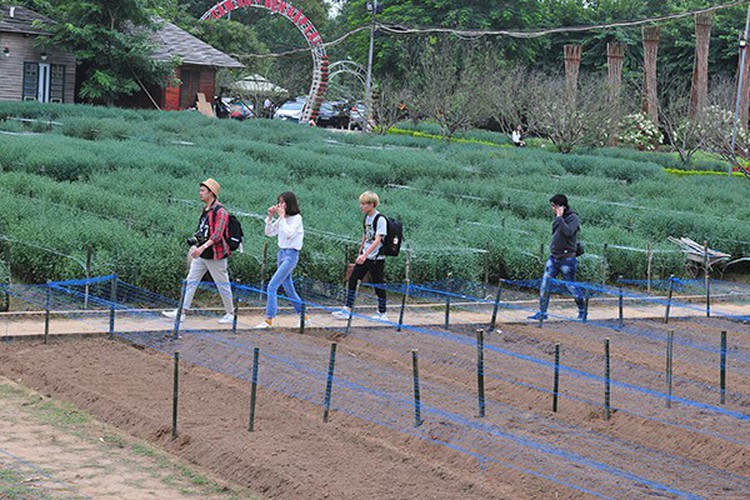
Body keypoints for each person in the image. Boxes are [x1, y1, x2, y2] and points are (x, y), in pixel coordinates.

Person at [163, 178, 234, 324]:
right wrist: (196, 241)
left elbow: (217, 235)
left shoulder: (221, 212)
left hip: (216, 255)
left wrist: (201, 247)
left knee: (222, 284)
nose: (200, 193)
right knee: (191, 281)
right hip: (203, 254)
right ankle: (182, 312)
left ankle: (231, 313)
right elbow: (203, 231)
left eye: (203, 190)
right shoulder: (206, 210)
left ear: (211, 193)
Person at [332, 191, 389, 321]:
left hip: (376, 258)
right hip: (365, 256)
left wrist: (366, 254)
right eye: (361, 204)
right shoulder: (367, 218)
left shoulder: (380, 219)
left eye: (364, 204)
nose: (361, 206)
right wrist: (361, 252)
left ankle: (382, 312)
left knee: (378, 284)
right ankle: (347, 309)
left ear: (372, 204)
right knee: (353, 279)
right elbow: (365, 235)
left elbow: (377, 240)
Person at [528, 194, 585, 321]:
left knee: (571, 286)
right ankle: (543, 312)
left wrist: (559, 218)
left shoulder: (573, 218)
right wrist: (558, 218)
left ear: (562, 206)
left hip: (567, 259)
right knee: (545, 285)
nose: (553, 209)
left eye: (554, 206)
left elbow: (568, 232)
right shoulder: (557, 218)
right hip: (554, 258)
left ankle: (582, 310)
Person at [254, 192, 306, 329]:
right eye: (279, 202)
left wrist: (281, 216)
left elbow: (289, 234)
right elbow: (269, 232)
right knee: (289, 288)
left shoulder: (296, 218)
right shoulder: (283, 219)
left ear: (290, 203)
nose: (280, 205)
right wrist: (271, 217)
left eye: (282, 202)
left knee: (272, 285)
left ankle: (269, 319)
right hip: (281, 253)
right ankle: (303, 316)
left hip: (291, 255)